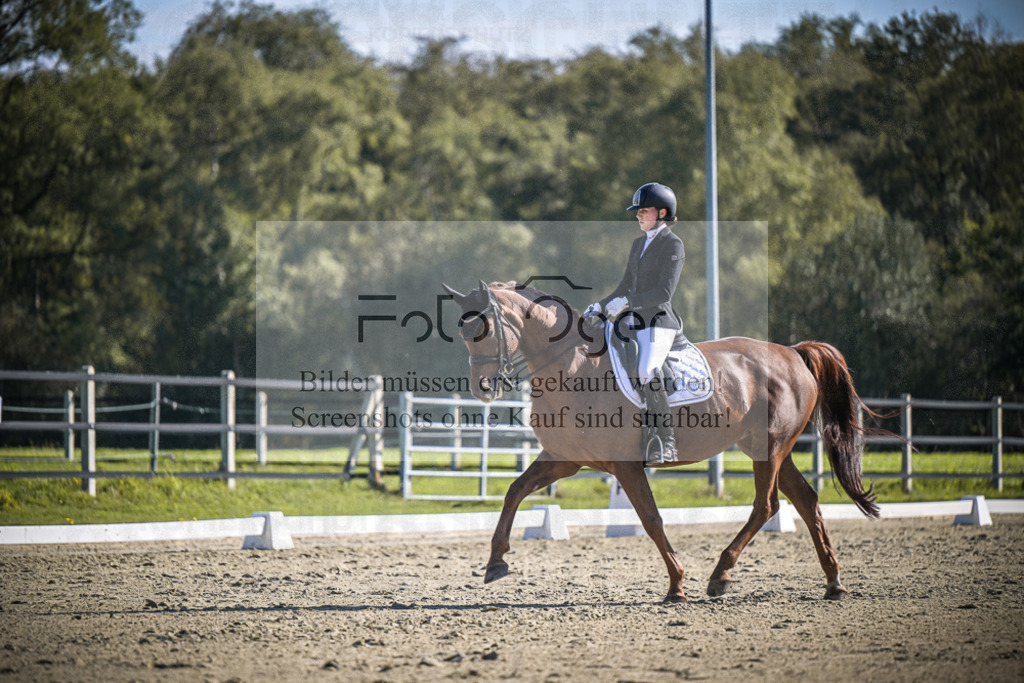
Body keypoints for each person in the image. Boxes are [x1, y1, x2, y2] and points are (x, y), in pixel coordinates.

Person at [583, 182, 684, 465]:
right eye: (637, 212)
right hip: (634, 321)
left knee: (647, 370)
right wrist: (599, 306)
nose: (638, 216)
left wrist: (628, 303)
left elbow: (664, 293)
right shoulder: (638, 244)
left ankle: (667, 441)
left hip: (659, 322)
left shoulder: (673, 244)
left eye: (644, 211)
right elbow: (624, 287)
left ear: (662, 213)